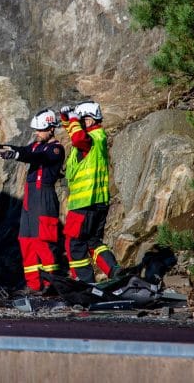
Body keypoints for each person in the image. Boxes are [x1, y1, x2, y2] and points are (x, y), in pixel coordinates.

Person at [0, 109, 65, 293]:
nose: (36, 133)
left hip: (44, 198)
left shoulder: (56, 149)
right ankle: (33, 285)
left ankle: (51, 284)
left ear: (51, 129)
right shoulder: (35, 146)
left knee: (43, 243)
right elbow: (21, 150)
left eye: (40, 130)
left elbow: (37, 157)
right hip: (31, 199)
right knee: (26, 241)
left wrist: (16, 156)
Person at [58, 100, 121, 283]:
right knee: (93, 242)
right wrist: (66, 118)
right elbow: (74, 132)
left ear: (91, 120)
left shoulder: (90, 138)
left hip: (84, 204)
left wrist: (73, 117)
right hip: (97, 203)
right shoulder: (96, 137)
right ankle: (114, 271)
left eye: (82, 119)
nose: (79, 123)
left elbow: (78, 138)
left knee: (74, 244)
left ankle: (84, 283)